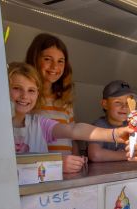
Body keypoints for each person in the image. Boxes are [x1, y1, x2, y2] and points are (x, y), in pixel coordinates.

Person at [9, 62, 131, 154]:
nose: (24, 96)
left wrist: (115, 134)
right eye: (16, 88)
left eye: (31, 90)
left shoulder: (39, 123)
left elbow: (74, 130)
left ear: (37, 94)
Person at [25, 33, 85, 173]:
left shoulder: (65, 101)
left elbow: (72, 139)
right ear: (35, 59)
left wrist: (76, 160)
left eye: (60, 61)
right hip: (40, 174)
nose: (54, 67)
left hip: (66, 173)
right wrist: (56, 165)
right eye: (47, 59)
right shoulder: (25, 100)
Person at [87, 80, 135, 162]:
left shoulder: (130, 126)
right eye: (118, 102)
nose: (124, 107)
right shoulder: (99, 126)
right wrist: (128, 155)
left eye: (128, 102)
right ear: (105, 104)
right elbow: (95, 155)